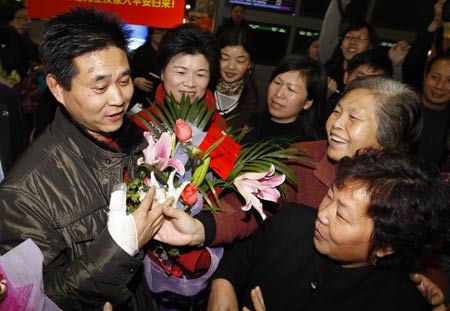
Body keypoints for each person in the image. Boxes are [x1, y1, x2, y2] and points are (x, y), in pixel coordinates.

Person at [154, 76, 449, 310]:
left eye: (353, 118)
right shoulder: (302, 158)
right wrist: (205, 237)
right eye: (337, 111)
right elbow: (249, 208)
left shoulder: (409, 193)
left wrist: (432, 283)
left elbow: (425, 250)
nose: (336, 124)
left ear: (389, 138)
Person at [0, 7, 174, 310]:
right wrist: (119, 249)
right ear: (57, 87)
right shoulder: (22, 193)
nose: (118, 98)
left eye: (124, 81)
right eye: (100, 86)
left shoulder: (138, 140)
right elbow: (33, 300)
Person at [208, 150, 450, 310]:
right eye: (330, 196)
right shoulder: (292, 220)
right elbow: (244, 255)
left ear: (386, 246)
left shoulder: (400, 303)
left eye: (342, 215)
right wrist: (223, 283)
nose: (322, 215)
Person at [131, 23, 225, 130]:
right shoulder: (140, 124)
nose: (190, 83)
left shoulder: (218, 126)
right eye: (181, 72)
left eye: (200, 74)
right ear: (162, 72)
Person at [241, 54, 327, 146]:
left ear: (307, 102)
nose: (279, 93)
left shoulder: (304, 146)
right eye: (277, 82)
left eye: (291, 89)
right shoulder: (253, 122)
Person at [214, 27, 263, 129]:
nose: (231, 66)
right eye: (224, 58)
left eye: (240, 61)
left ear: (250, 64)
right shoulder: (201, 88)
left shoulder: (255, 102)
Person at [416, 53, 450, 167]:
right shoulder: (402, 108)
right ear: (425, 76)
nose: (440, 86)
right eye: (435, 77)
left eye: (449, 81)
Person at [130, 27, 167, 109]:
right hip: (141, 99)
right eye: (159, 32)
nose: (163, 35)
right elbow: (128, 73)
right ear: (151, 34)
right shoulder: (140, 52)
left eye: (166, 32)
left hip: (161, 99)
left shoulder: (167, 53)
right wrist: (136, 81)